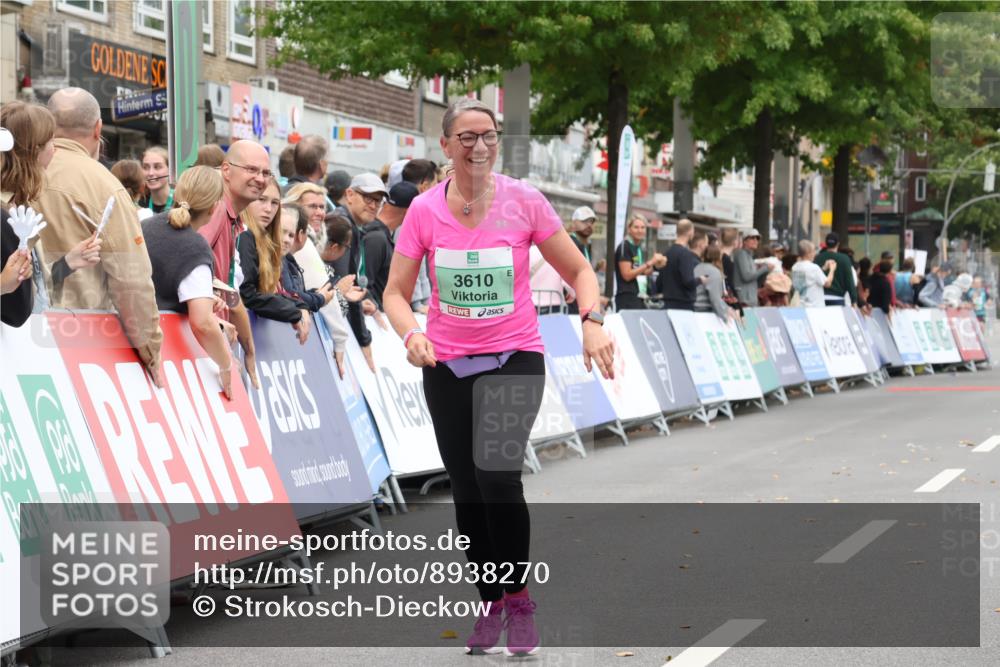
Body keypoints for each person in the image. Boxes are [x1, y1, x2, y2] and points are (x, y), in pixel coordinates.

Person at [383, 98, 614, 658]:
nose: (479, 146)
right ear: (446, 145)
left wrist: (591, 322)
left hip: (515, 359)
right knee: (466, 491)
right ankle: (491, 601)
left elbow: (580, 271)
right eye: (466, 137)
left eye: (488, 135)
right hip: (446, 365)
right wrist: (411, 335)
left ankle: (520, 601)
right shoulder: (424, 212)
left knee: (498, 478)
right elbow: (394, 293)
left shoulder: (524, 201)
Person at [32, 89, 163, 384]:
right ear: (98, 128)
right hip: (82, 339)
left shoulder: (17, 172)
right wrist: (150, 350)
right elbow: (131, 280)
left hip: (19, 331)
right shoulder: (106, 186)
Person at [1, 103, 103, 324]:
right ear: (32, 150)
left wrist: (69, 262)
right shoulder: (4, 214)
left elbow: (34, 289)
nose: (54, 149)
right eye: (50, 141)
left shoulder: (20, 206)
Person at [142, 166, 236, 397]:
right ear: (214, 207)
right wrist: (226, 364)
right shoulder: (195, 248)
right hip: (161, 360)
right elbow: (202, 323)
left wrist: (202, 300)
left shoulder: (145, 226)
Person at [199, 138, 273, 388]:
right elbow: (189, 268)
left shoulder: (232, 217)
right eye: (251, 169)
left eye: (265, 173)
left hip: (214, 345)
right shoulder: (216, 209)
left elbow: (231, 295)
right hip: (204, 348)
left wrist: (249, 349)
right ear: (226, 170)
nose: (260, 179)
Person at [294, 212, 367, 378]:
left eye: (322, 207)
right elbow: (326, 303)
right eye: (347, 247)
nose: (319, 212)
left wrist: (341, 295)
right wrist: (339, 293)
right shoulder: (314, 261)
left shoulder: (319, 263)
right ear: (334, 247)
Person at [615, 214, 665, 310]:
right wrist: (650, 262)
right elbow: (627, 275)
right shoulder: (625, 246)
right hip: (627, 297)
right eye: (636, 227)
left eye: (643, 227)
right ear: (629, 229)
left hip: (639, 296)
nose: (640, 230)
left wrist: (656, 266)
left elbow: (640, 272)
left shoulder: (636, 247)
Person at [814, 232, 860, 306]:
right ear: (838, 244)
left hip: (820, 299)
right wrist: (854, 300)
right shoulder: (844, 259)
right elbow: (849, 281)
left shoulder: (818, 258)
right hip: (838, 299)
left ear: (826, 243)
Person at [792, 241, 837, 308]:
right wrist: (832, 269)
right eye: (813, 251)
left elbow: (810, 277)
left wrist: (823, 268)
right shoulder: (814, 268)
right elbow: (827, 283)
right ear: (808, 253)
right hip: (815, 307)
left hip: (801, 306)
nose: (815, 254)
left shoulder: (795, 267)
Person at [732, 228, 769, 307]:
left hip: (750, 298)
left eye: (757, 238)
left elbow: (756, 280)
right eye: (752, 238)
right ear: (745, 241)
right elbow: (747, 276)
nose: (755, 240)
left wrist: (763, 270)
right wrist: (765, 268)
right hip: (745, 299)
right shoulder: (741, 254)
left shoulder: (749, 255)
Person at [694, 245, 732, 321]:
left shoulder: (696, 268)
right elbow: (715, 299)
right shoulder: (714, 272)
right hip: (705, 313)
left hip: (694, 311)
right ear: (718, 256)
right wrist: (725, 316)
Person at [139, 146, 173, 214]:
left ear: (170, 170)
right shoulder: (139, 205)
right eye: (146, 167)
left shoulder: (181, 203)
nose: (150, 173)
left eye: (157, 167)